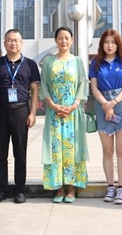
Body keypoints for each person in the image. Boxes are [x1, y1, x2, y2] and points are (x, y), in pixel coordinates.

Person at [0, 29, 40, 204]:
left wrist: (32, 113)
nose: (13, 43)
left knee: (20, 153)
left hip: (21, 111)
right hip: (0, 111)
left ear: (21, 43)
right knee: (0, 153)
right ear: (4, 43)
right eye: (9, 40)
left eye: (16, 40)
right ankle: (1, 189)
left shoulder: (30, 65)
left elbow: (34, 90)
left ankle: (19, 190)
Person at [40, 27, 88, 203]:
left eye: (67, 38)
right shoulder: (48, 61)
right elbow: (44, 84)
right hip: (54, 113)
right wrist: (53, 105)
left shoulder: (77, 61)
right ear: (55, 40)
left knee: (73, 148)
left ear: (72, 40)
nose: (64, 41)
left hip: (73, 114)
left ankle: (72, 188)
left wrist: (74, 105)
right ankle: (59, 188)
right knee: (55, 148)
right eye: (60, 38)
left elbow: (82, 83)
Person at [89, 29, 122, 205]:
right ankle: (110, 186)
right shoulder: (96, 63)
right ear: (102, 44)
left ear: (118, 44)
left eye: (113, 42)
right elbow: (94, 87)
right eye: (106, 42)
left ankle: (121, 188)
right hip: (102, 103)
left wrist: (113, 102)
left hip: (121, 104)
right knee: (107, 151)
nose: (110, 46)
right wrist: (105, 104)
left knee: (121, 151)